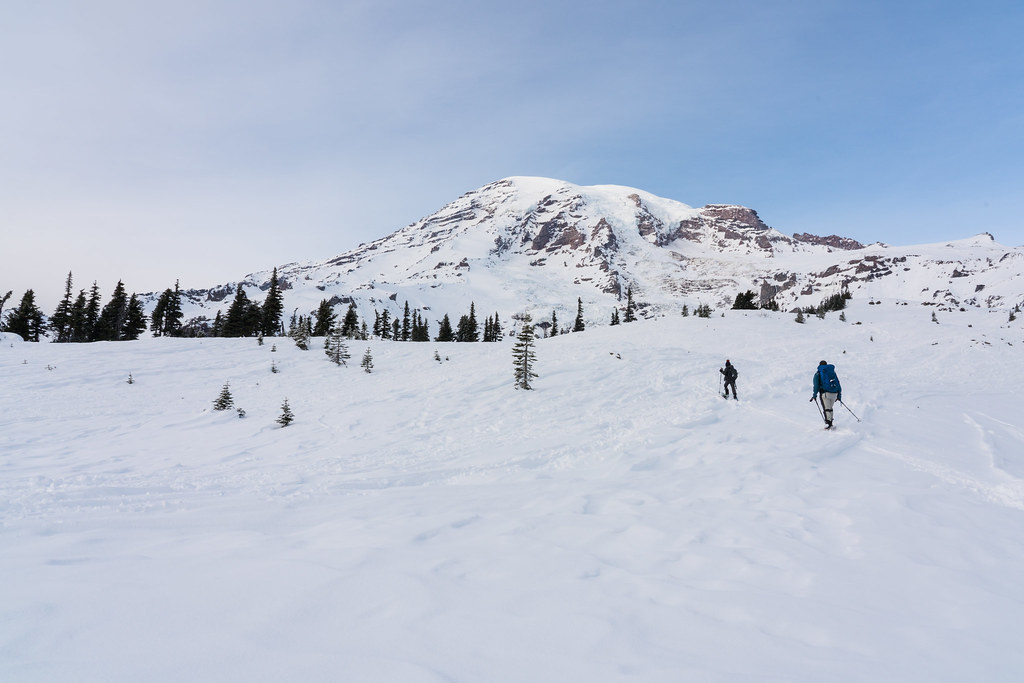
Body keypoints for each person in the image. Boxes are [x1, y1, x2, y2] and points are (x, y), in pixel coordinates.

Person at [810, 360, 842, 429]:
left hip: (825, 394)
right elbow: (838, 383)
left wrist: (814, 395)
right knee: (830, 408)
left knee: (826, 409)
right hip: (834, 393)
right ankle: (830, 423)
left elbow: (816, 386)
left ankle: (829, 423)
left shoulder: (818, 373)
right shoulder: (832, 372)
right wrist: (839, 395)